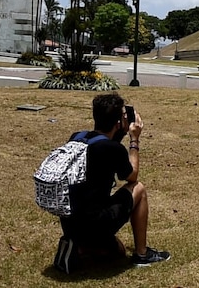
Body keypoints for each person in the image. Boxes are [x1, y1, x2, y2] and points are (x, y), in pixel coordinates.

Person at [60, 92, 171, 267]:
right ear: (118, 122)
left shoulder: (77, 137)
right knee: (138, 188)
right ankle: (142, 255)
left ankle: (80, 247)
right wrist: (134, 139)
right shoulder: (113, 149)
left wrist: (119, 132)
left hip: (70, 222)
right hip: (95, 222)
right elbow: (131, 175)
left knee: (118, 251)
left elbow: (105, 147)